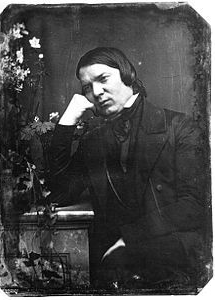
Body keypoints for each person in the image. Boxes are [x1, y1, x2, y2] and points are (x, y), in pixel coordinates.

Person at [48, 47, 207, 290]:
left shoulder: (180, 127)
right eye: (87, 87)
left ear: (127, 75)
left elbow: (194, 205)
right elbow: (59, 193)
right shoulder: (93, 141)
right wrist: (67, 122)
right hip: (114, 268)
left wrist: (129, 239)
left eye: (103, 79)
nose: (96, 92)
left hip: (174, 261)